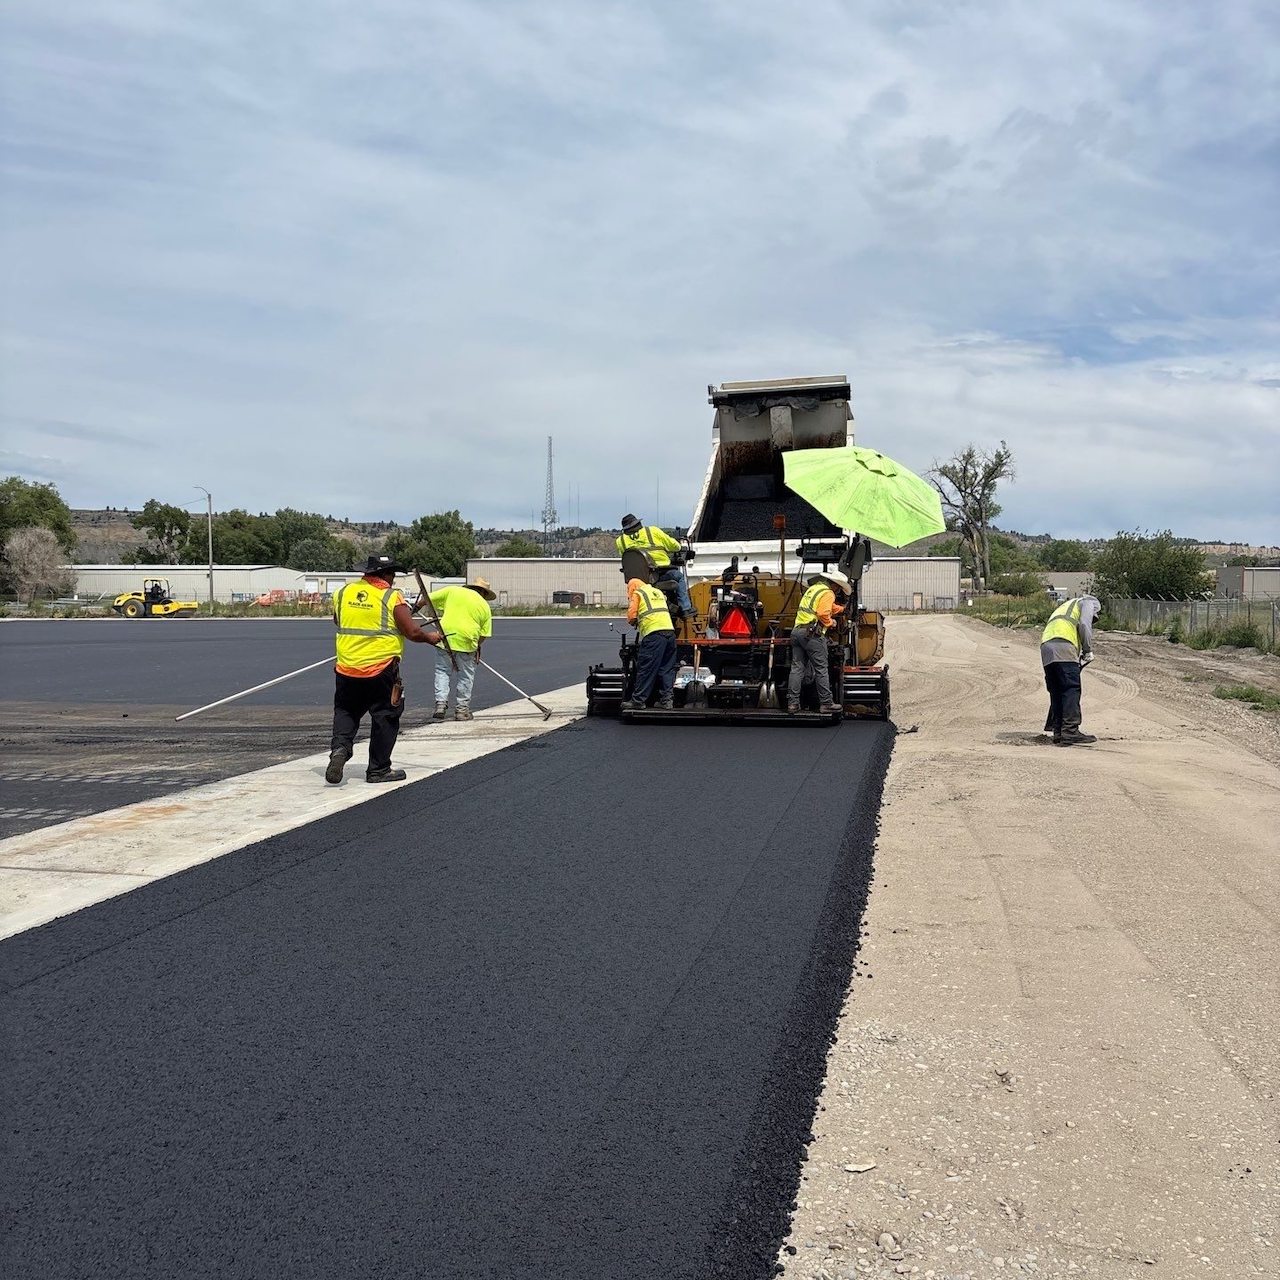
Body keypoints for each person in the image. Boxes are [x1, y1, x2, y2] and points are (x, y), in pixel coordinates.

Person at [327, 554, 442, 785]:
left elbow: (338, 621)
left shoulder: (342, 593)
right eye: (392, 575)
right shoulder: (391, 597)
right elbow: (412, 632)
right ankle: (378, 769)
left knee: (346, 711)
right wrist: (431, 637)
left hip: (347, 667)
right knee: (385, 715)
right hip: (381, 669)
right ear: (385, 575)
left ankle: (340, 750)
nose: (393, 580)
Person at [427, 577, 496, 721]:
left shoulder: (453, 591)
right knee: (465, 676)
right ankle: (462, 710)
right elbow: (484, 634)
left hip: (445, 638)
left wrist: (413, 609)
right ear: (484, 592)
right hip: (467, 641)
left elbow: (427, 599)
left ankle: (440, 704)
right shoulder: (484, 606)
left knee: (442, 671)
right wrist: (477, 647)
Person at [787, 571, 850, 715]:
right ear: (835, 585)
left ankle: (792, 704)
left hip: (797, 632)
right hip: (812, 635)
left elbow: (824, 606)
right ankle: (826, 703)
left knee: (797, 669)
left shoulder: (814, 589)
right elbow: (822, 613)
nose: (839, 590)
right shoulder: (828, 593)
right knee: (821, 668)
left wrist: (841, 609)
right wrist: (831, 623)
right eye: (839, 588)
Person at [1041, 594, 1100, 745]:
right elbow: (1085, 625)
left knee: (1057, 690)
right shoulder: (1088, 602)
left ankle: (1058, 731)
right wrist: (1087, 650)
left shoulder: (1065, 607)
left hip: (1046, 647)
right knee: (1070, 688)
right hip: (1064, 645)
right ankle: (1070, 730)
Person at [615, 513, 695, 619]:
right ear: (638, 523)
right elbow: (674, 546)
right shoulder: (652, 531)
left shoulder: (620, 541)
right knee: (678, 576)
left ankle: (671, 607)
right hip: (658, 575)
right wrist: (679, 547)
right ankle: (685, 609)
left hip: (638, 580)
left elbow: (628, 559)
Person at [622, 574, 678, 710]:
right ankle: (667, 701)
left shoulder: (638, 593)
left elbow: (632, 615)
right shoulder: (657, 592)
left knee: (646, 668)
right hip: (670, 634)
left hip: (654, 635)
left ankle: (638, 701)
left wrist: (633, 621)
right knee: (667, 669)